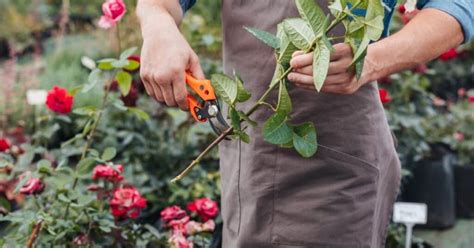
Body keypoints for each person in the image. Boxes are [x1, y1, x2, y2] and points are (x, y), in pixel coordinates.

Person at [137, 0, 473, 247]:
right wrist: (157, 23)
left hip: (336, 167)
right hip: (251, 157)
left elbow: (457, 7)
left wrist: (369, 61)